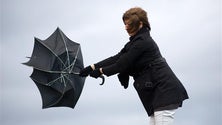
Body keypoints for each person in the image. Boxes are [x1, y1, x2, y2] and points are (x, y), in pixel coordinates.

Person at [79, 7, 188, 125]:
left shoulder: (143, 42)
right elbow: (117, 58)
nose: (126, 27)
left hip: (164, 91)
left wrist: (100, 71)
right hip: (158, 93)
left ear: (140, 24)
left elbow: (121, 64)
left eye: (129, 24)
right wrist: (92, 67)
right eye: (125, 24)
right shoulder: (134, 42)